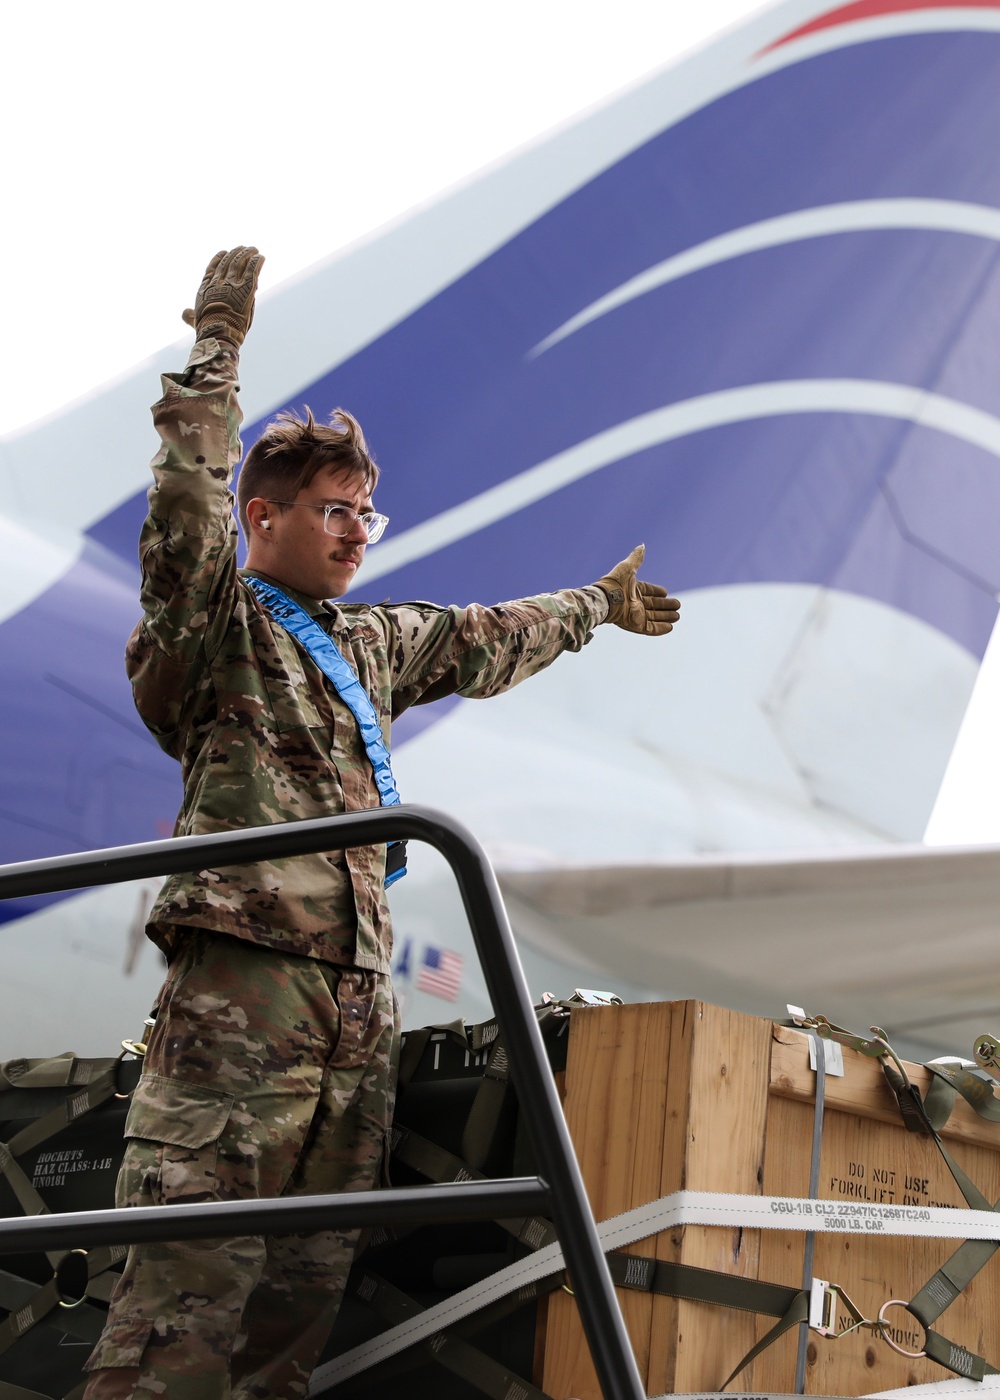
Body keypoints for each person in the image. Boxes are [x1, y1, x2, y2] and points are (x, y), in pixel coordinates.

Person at [82, 247, 681, 1400]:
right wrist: (218, 348)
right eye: (332, 509)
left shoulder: (361, 642)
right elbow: (182, 507)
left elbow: (479, 634)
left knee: (297, 1305)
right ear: (264, 517)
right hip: (248, 985)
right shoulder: (218, 623)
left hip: (357, 996)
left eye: (368, 510)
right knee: (183, 1305)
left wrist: (594, 606)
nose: (360, 530)